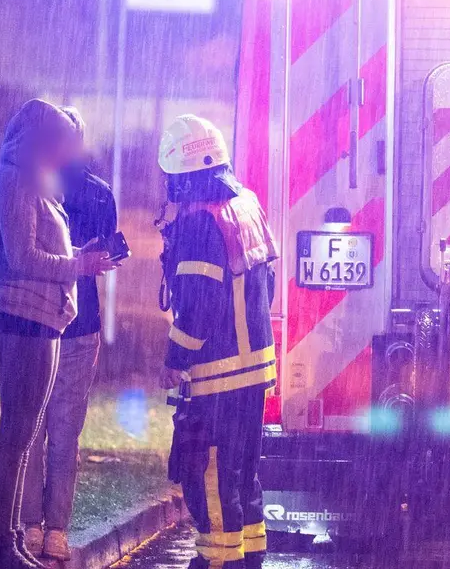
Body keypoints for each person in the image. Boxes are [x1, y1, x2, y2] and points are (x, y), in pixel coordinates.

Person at [0, 99, 118, 569]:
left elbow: (30, 250)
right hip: (25, 320)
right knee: (18, 437)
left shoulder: (29, 178)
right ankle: (1, 542)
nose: (65, 152)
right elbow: (21, 258)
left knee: (23, 435)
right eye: (58, 142)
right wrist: (81, 265)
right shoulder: (14, 179)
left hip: (37, 319)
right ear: (39, 139)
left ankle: (10, 538)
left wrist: (76, 253)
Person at [156, 115, 278, 569]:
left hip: (217, 372)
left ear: (183, 176)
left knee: (209, 474)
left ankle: (215, 562)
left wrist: (175, 356)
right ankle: (249, 559)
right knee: (244, 473)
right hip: (255, 368)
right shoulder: (245, 204)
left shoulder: (200, 223)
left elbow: (201, 303)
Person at [17, 106, 117, 561]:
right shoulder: (98, 194)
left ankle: (31, 525)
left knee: (31, 426)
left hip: (37, 319)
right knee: (64, 430)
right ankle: (54, 529)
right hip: (81, 321)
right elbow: (103, 253)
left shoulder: (29, 186)